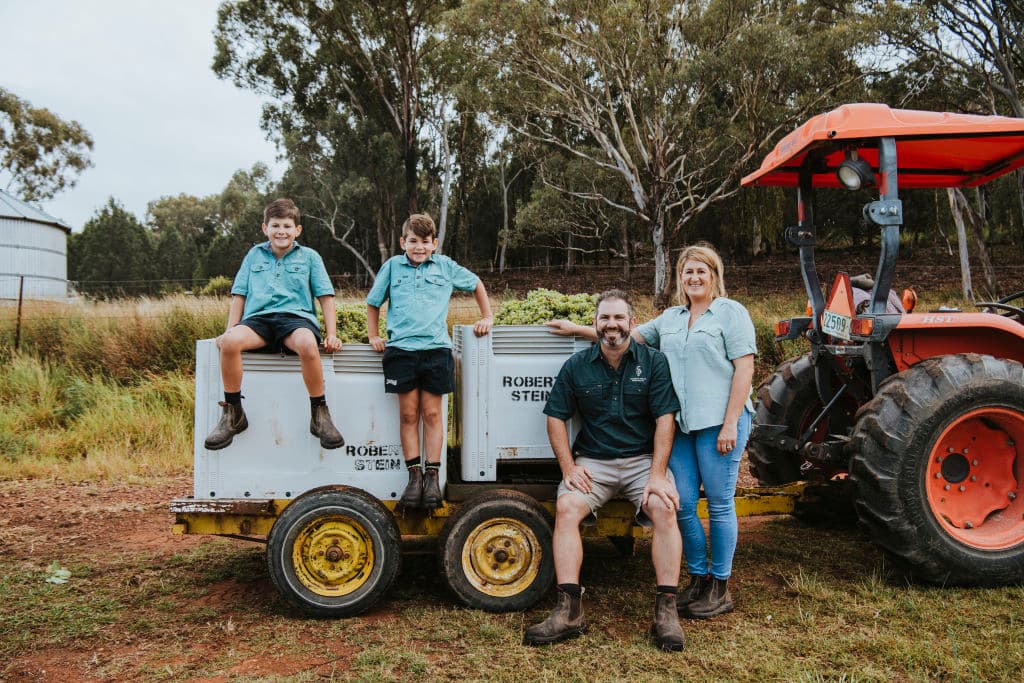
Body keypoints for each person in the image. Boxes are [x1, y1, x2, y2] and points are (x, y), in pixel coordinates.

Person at [547, 244, 756, 620]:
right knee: (684, 504)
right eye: (687, 272)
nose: (694, 278)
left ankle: (720, 585)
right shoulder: (671, 318)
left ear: (714, 275)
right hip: (683, 425)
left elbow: (744, 369)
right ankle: (697, 578)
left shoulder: (730, 313)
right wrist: (577, 329)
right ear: (680, 277)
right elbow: (626, 336)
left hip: (719, 423)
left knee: (721, 503)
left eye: (701, 272)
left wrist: (730, 422)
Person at [525, 289, 686, 652]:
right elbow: (555, 418)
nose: (611, 324)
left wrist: (657, 474)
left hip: (642, 460)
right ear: (595, 324)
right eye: (604, 318)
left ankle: (666, 610)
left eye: (618, 318)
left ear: (632, 322)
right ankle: (569, 610)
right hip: (593, 462)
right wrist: (568, 468)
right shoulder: (577, 366)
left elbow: (665, 420)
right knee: (566, 509)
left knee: (664, 507)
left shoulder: (654, 362)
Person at [366, 213, 493, 509]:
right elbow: (373, 303)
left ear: (434, 244)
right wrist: (374, 336)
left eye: (425, 242)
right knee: (409, 415)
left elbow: (476, 284)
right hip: (401, 351)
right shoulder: (392, 267)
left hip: (436, 351)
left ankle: (433, 477)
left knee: (432, 415)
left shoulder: (445, 267)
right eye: (413, 241)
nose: (419, 247)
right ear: (402, 242)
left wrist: (486, 316)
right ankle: (414, 477)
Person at [204, 198, 345, 451]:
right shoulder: (253, 255)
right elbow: (239, 295)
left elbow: (326, 297)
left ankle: (319, 414)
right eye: (275, 225)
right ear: (264, 228)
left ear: (297, 230)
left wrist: (332, 334)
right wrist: (229, 330)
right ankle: (233, 414)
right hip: (258, 320)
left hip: (295, 319)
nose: (281, 231)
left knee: (306, 344)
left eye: (287, 226)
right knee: (230, 342)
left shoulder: (310, 257)